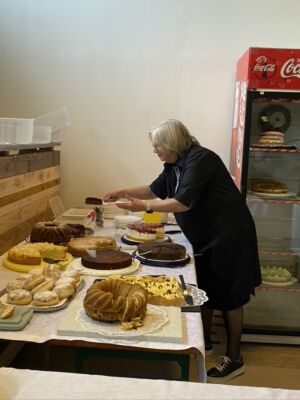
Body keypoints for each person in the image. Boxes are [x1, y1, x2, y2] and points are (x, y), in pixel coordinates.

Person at [104, 119, 261, 383]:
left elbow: (182, 203)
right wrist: (122, 191)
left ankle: (234, 359)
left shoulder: (201, 159)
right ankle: (206, 342)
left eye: (157, 146)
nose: (155, 151)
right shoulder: (174, 165)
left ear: (171, 143)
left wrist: (144, 206)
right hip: (207, 236)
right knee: (208, 287)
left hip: (229, 235)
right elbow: (153, 189)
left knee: (232, 295)